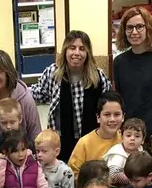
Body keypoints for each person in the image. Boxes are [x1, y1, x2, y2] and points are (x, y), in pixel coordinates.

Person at [30, 30, 113, 161]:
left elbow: (108, 107)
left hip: (90, 142)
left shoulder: (98, 77)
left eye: (82, 49)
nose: (76, 53)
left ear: (88, 53)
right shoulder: (53, 73)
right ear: (65, 51)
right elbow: (39, 94)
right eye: (72, 48)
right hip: (60, 143)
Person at [112, 6, 152, 136]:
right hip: (129, 130)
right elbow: (120, 95)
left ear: (148, 29)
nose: (134, 32)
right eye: (129, 27)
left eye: (139, 26)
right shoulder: (119, 62)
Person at [67, 92, 125, 178]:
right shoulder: (85, 143)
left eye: (117, 114)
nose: (112, 119)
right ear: (98, 117)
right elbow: (72, 174)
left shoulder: (127, 139)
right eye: (107, 114)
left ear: (123, 117)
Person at [105, 117, 147, 188]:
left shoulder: (141, 152)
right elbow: (112, 173)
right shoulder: (118, 154)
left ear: (143, 140)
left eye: (137, 136)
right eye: (128, 135)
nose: (132, 138)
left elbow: (149, 166)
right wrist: (132, 179)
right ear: (122, 137)